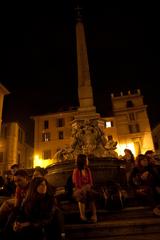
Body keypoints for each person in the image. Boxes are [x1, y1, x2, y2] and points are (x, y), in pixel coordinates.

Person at [72, 154, 97, 223]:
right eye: (86, 159)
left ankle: (94, 215)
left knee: (91, 194)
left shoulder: (87, 170)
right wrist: (85, 187)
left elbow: (91, 182)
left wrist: (87, 187)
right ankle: (82, 215)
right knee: (81, 195)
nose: (88, 161)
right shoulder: (76, 171)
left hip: (87, 189)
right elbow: (77, 184)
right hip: (78, 190)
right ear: (83, 161)